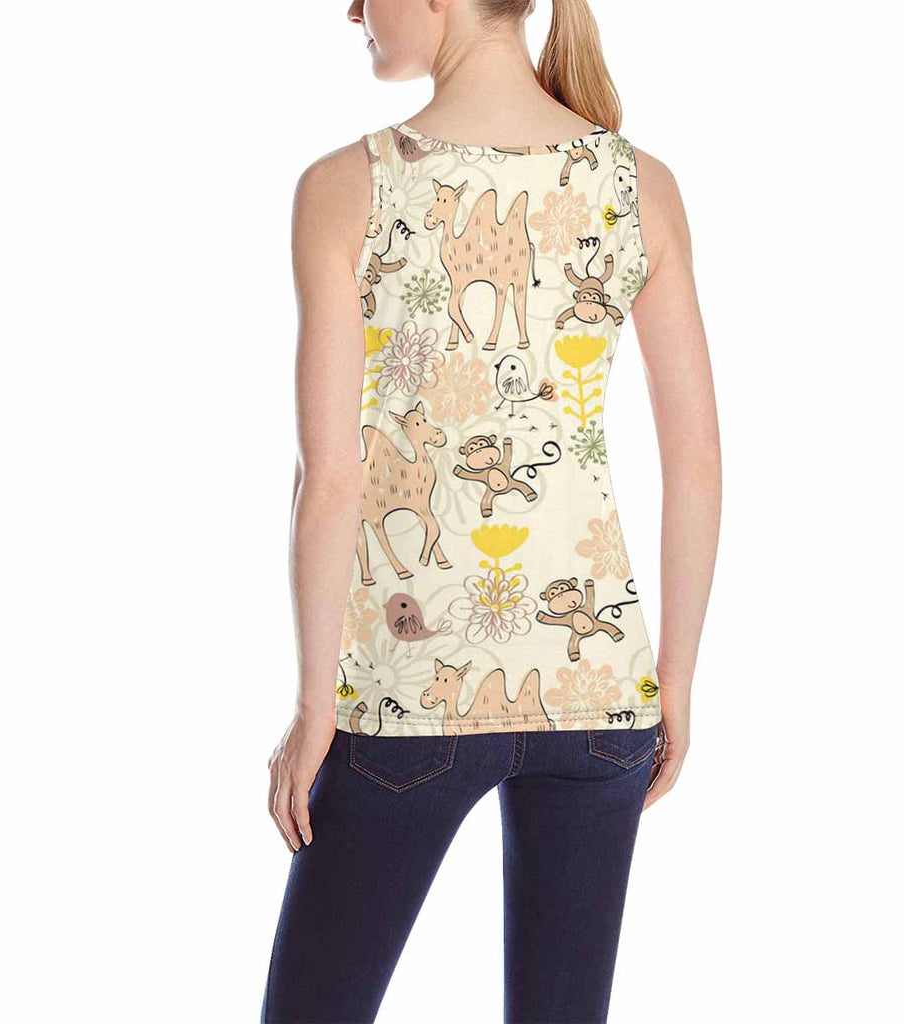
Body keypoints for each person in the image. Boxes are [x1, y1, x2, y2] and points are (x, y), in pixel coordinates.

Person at [261, 0, 721, 1020]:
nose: (352, 10)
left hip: (407, 697)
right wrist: (675, 684)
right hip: (600, 696)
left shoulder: (347, 187)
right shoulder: (637, 184)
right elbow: (695, 462)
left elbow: (330, 478)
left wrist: (313, 709)